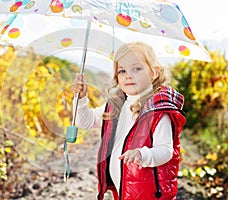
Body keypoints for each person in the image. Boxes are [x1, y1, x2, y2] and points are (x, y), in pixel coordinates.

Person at [71, 41, 186, 200]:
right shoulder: (117, 105)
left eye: (137, 69)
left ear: (154, 73)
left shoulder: (158, 110)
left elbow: (166, 151)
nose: (128, 75)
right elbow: (87, 121)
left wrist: (142, 154)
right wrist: (82, 99)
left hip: (150, 194)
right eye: (122, 71)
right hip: (125, 190)